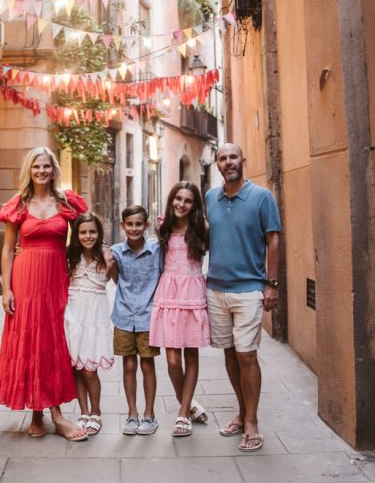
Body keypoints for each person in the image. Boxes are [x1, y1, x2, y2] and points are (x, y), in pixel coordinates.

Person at [0, 147, 88, 442]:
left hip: (56, 278)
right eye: (36, 167)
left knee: (54, 340)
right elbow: (8, 249)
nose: (42, 171)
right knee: (29, 340)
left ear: (54, 169)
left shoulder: (67, 202)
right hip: (25, 280)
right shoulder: (18, 205)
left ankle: (56, 414)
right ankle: (37, 411)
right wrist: (6, 289)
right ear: (29, 171)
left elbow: (88, 234)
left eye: (46, 166)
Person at [204, 143, 282, 452]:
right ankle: (241, 410)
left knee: (246, 354)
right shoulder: (211, 197)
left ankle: (252, 422)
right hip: (216, 289)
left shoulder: (261, 197)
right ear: (218, 165)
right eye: (222, 158)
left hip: (249, 289)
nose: (228, 162)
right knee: (229, 353)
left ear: (243, 161)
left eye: (233, 157)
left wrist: (271, 283)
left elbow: (273, 238)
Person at [149, 181, 211, 437]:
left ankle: (183, 413)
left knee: (191, 354)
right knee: (173, 359)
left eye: (187, 200)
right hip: (169, 292)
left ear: (194, 204)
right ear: (171, 199)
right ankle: (187, 401)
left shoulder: (202, 228)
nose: (181, 204)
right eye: (178, 198)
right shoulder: (163, 226)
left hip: (193, 292)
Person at [110, 205, 163, 435]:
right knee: (128, 364)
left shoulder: (157, 251)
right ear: (123, 226)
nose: (134, 228)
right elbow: (114, 279)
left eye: (138, 224)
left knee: (147, 364)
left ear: (146, 225)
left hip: (148, 316)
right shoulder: (115, 252)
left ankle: (149, 414)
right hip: (123, 315)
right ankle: (132, 414)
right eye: (129, 224)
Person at [63, 212, 115, 436]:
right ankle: (83, 412)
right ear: (76, 235)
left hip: (94, 318)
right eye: (83, 232)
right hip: (73, 316)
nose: (88, 236)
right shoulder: (69, 256)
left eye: (92, 231)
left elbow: (120, 282)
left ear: (99, 233)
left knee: (90, 369)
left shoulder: (107, 257)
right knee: (77, 367)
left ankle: (96, 412)